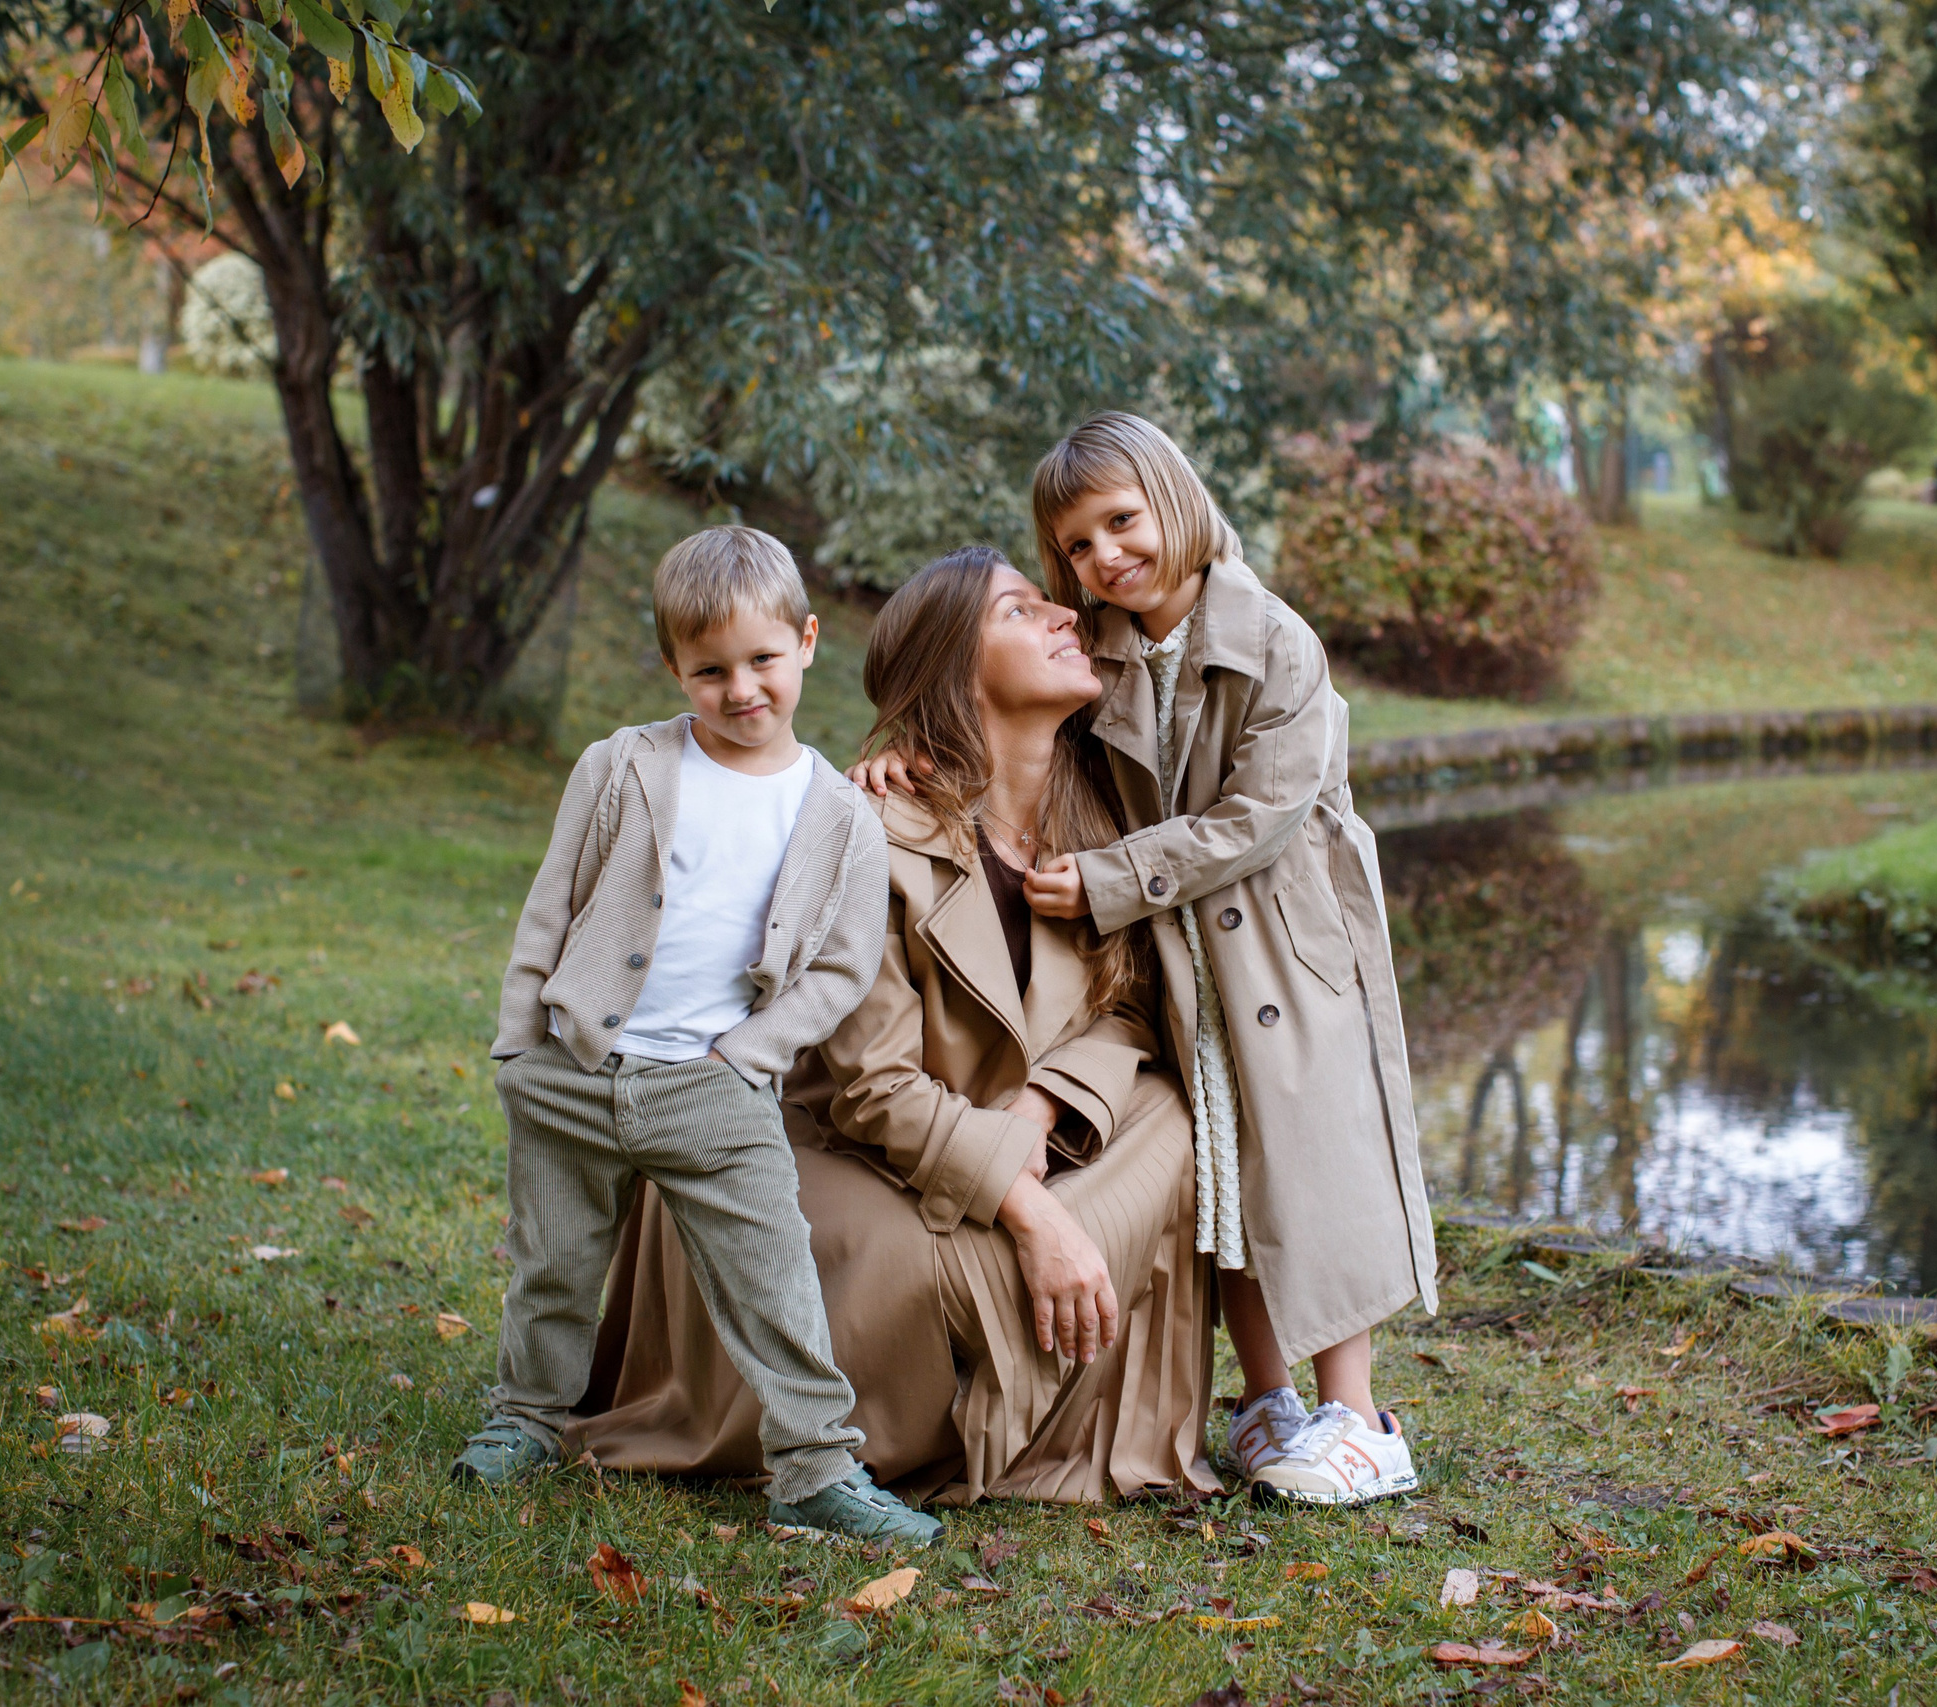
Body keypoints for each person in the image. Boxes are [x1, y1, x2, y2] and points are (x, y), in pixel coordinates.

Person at [857, 414, 1437, 1506]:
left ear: (1176, 501)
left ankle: (1359, 1415)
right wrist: (908, 745)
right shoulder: (1106, 648)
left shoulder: (1274, 642)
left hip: (1284, 957)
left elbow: (1262, 814)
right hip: (1185, 967)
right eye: (1075, 546)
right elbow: (998, 712)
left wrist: (1118, 878)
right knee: (1224, 1175)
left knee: (1311, 1171)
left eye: (1121, 522)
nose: (1104, 558)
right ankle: (1266, 1403)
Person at [567, 547, 1217, 1505]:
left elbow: (1126, 1011)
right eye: (1020, 610)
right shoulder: (865, 826)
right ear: (955, 666)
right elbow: (874, 1088)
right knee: (921, 1259)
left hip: (1007, 1143)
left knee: (1173, 1108)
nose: (1066, 617)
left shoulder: (1105, 816)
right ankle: (1012, 1351)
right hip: (839, 1149)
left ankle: (1009, 1331)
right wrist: (1032, 1212)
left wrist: (1036, 1113)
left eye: (1054, 607)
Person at [463, 525, 940, 1549]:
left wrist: (753, 1055)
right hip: (576, 1069)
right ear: (674, 667)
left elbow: (843, 965)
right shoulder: (621, 766)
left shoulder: (842, 815)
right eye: (709, 669)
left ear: (808, 642)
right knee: (552, 1262)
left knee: (774, 1278)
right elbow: (553, 905)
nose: (740, 689)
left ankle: (814, 1470)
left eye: (763, 659)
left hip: (715, 1087)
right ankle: (527, 1420)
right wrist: (518, 1047)